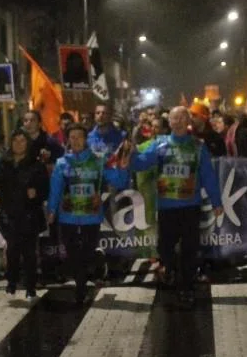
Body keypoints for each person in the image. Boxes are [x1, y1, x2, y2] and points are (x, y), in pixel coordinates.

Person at [129, 107, 223, 309]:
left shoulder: (198, 146)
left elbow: (208, 175)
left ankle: (187, 287)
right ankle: (170, 269)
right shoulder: (159, 144)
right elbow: (141, 164)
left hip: (191, 206)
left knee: (190, 249)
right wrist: (131, 153)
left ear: (188, 121)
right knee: (164, 247)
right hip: (167, 207)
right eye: (174, 118)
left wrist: (216, 202)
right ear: (169, 122)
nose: (178, 122)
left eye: (182, 118)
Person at [48, 124, 131, 306]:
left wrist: (123, 168)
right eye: (72, 137)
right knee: (72, 255)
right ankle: (83, 284)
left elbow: (119, 181)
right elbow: (55, 189)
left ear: (86, 139)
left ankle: (81, 289)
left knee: (85, 254)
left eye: (79, 136)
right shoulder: (62, 163)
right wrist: (52, 210)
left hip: (91, 217)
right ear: (68, 140)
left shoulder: (98, 162)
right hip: (68, 216)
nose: (76, 140)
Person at [0, 129, 49, 299]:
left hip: (29, 214)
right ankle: (11, 282)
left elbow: (45, 189)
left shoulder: (36, 164)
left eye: (22, 140)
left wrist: (36, 193)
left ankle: (30, 286)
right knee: (12, 250)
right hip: (10, 213)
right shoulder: (5, 163)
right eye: (15, 140)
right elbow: (0, 185)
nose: (18, 144)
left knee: (29, 252)